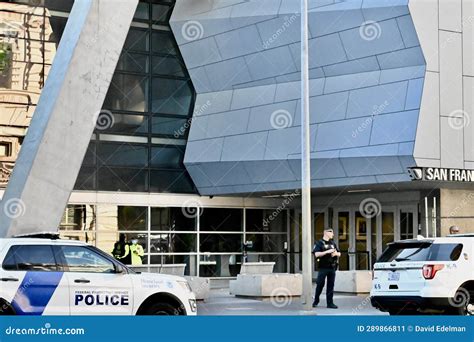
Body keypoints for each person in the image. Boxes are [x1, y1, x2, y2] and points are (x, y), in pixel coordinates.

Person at [312, 228, 341, 309]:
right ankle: (316, 301)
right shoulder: (319, 243)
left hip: (332, 267)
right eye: (331, 232)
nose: (333, 234)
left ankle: (330, 303)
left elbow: (339, 253)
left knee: (330, 286)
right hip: (323, 267)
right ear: (325, 232)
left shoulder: (333, 243)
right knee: (320, 284)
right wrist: (327, 252)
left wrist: (336, 254)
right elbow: (316, 254)